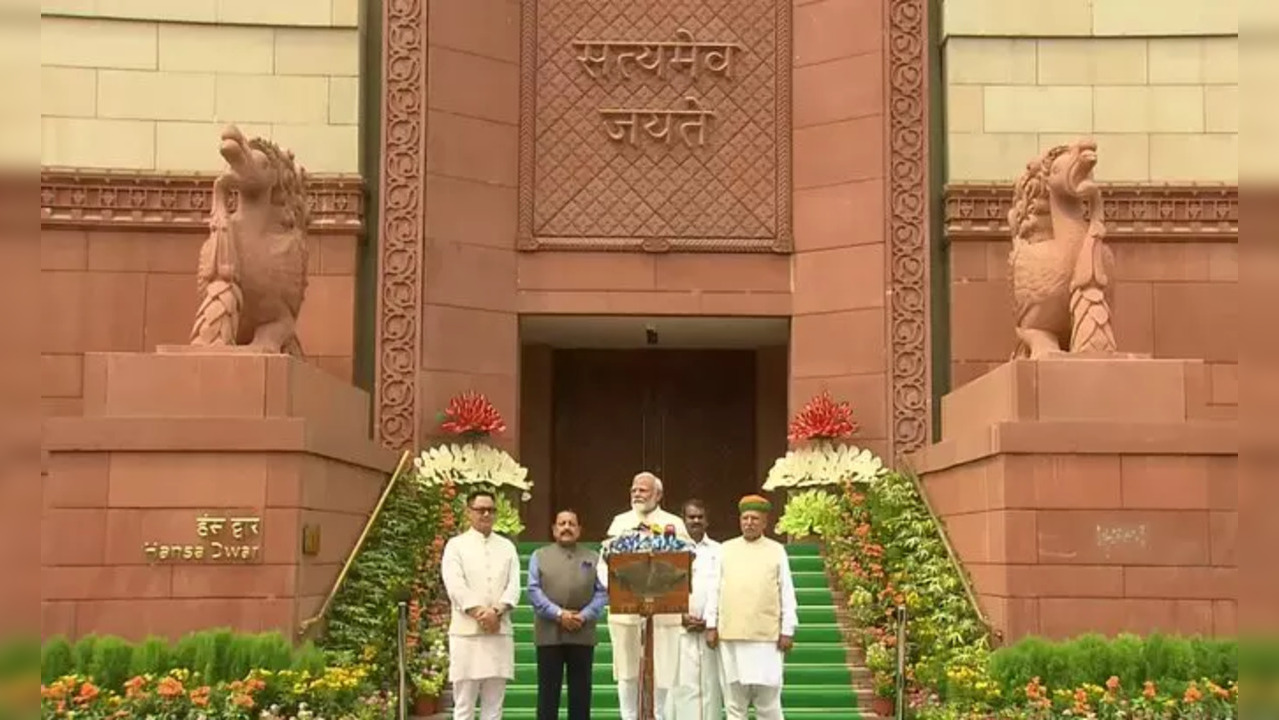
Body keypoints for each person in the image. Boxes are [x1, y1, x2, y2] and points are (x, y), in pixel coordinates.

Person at [601, 471, 691, 720]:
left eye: (643, 490)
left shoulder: (674, 524)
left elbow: (686, 566)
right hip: (626, 613)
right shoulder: (619, 522)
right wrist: (614, 590)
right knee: (627, 674)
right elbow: (603, 564)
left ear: (658, 494)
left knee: (662, 674)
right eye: (634, 490)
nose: (636, 494)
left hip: (664, 615)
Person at [704, 494, 798, 720]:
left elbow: (786, 591)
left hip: (766, 639)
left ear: (765, 522)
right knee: (735, 703)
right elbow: (714, 588)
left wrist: (788, 629)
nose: (749, 523)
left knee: (768, 703)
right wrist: (711, 624)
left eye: (754, 519)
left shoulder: (776, 550)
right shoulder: (725, 549)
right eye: (745, 518)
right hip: (731, 636)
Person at [440, 489, 521, 720]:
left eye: (491, 510)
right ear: (469, 512)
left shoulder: (507, 547)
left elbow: (514, 586)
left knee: (494, 706)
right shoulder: (456, 546)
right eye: (480, 509)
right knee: (464, 704)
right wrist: (479, 612)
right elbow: (455, 584)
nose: (486, 514)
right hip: (466, 634)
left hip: (499, 631)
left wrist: (497, 611)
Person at [526, 509, 609, 720]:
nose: (566, 528)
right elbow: (533, 590)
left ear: (579, 530)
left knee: (580, 696)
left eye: (571, 524)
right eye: (561, 523)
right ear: (554, 530)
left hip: (582, 632)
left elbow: (602, 592)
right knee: (548, 695)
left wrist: (584, 615)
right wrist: (559, 614)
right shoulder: (539, 556)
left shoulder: (593, 557)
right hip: (549, 633)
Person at [666, 498, 724, 720]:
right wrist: (679, 616)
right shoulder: (670, 549)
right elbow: (663, 588)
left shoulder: (719, 551)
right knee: (681, 687)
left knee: (711, 686)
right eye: (691, 517)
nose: (696, 521)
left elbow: (721, 588)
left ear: (707, 521)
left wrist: (710, 621)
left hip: (709, 630)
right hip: (679, 629)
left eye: (700, 517)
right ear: (683, 520)